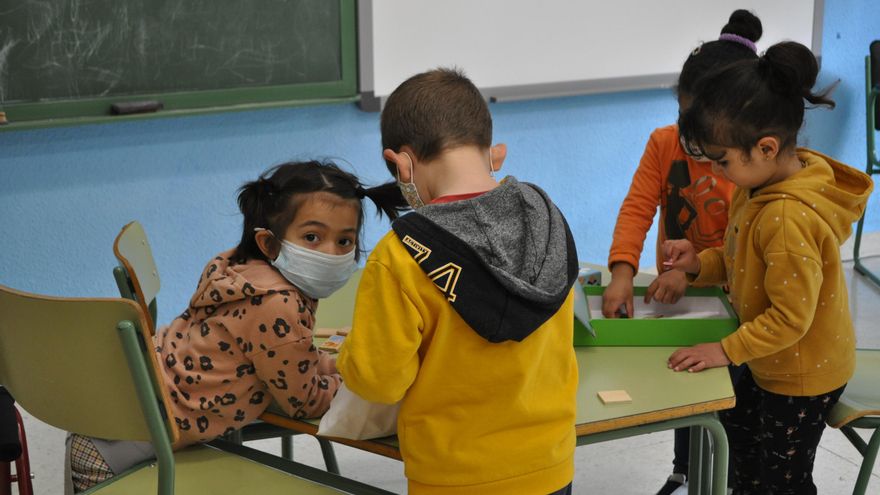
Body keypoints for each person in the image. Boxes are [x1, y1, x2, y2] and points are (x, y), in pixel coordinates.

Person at [67, 160, 406, 492]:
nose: (331, 253)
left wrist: (334, 363)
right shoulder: (278, 304)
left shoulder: (235, 267)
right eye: (313, 237)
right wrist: (356, 380)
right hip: (120, 450)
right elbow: (305, 402)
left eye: (345, 242)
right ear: (269, 243)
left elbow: (288, 354)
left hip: (111, 412)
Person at [336, 68, 579, 495]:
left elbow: (378, 381)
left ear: (402, 163)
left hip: (454, 477)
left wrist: (350, 355)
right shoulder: (547, 218)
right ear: (493, 153)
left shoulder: (401, 253)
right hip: (549, 463)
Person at [664, 41, 873, 495]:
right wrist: (700, 262)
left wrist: (724, 349)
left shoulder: (785, 217)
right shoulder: (757, 187)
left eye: (722, 161)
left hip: (802, 373)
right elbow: (741, 261)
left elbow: (789, 318)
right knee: (741, 442)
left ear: (765, 147)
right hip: (770, 358)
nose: (719, 173)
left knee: (783, 484)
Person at [601, 10, 762, 494]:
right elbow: (636, 209)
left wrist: (689, 274)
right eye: (683, 118)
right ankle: (686, 469)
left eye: (701, 126)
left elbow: (737, 242)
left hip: (737, 298)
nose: (690, 137)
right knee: (684, 379)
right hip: (685, 293)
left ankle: (728, 478)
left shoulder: (749, 165)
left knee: (731, 391)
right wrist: (623, 271)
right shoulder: (662, 143)